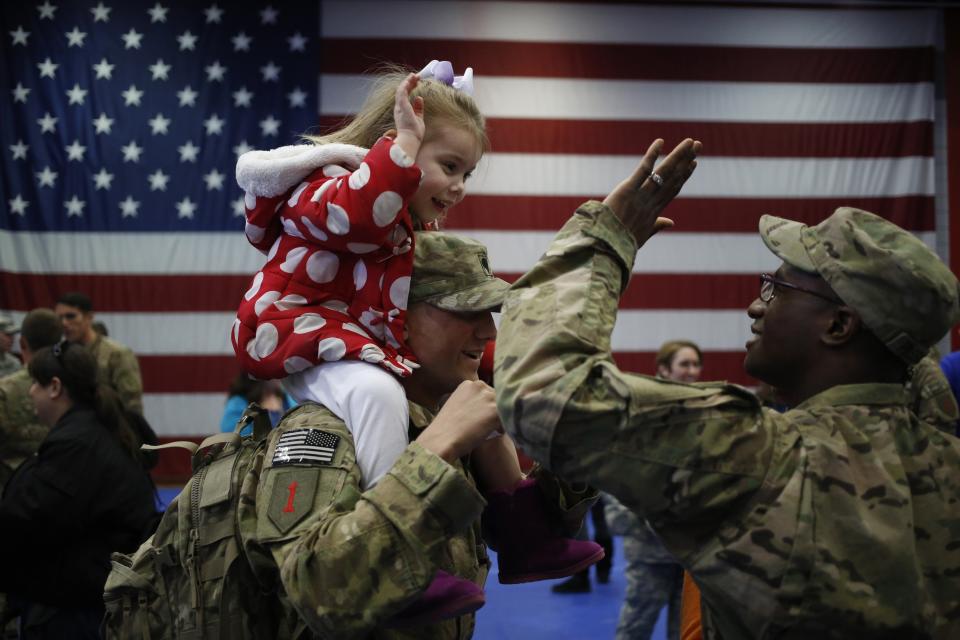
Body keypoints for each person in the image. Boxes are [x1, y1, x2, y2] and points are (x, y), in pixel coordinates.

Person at [495, 136, 960, 638]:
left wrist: (606, 239)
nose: (756, 306)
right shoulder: (943, 459)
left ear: (839, 326)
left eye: (778, 287)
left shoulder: (761, 456)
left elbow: (546, 394)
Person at [233, 61, 601, 615]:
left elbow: (443, 313)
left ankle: (522, 533)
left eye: (467, 173)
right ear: (394, 145)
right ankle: (398, 558)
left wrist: (508, 377)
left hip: (348, 334)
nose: (457, 186)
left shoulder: (402, 221)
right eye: (449, 165)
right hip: (295, 330)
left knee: (470, 394)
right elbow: (354, 217)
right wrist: (401, 151)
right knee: (378, 393)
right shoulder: (325, 189)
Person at [240, 231, 598, 636]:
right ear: (397, 319)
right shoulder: (327, 428)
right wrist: (430, 454)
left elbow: (538, 536)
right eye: (467, 312)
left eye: (491, 312)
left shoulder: (439, 414)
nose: (489, 331)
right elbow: (317, 589)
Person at [0, 340, 158, 639]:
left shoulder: (77, 444)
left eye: (36, 383)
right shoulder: (96, 429)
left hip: (75, 611)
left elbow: (29, 521)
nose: (31, 391)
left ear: (55, 388)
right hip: (91, 598)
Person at [603, 339, 704, 639]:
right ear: (663, 370)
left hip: (692, 548)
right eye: (684, 364)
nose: (692, 371)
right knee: (636, 625)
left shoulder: (704, 414)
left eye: (696, 364)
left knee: (684, 628)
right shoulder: (641, 416)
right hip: (650, 547)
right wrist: (630, 520)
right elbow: (615, 473)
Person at [0, 309, 61, 492]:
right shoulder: (79, 385)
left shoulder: (5, 390)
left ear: (22, 343)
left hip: (12, 490)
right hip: (65, 490)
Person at [54, 292, 144, 415]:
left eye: (71, 316)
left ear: (89, 317)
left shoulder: (117, 354)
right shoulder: (59, 353)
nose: (64, 323)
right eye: (59, 318)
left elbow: (132, 405)